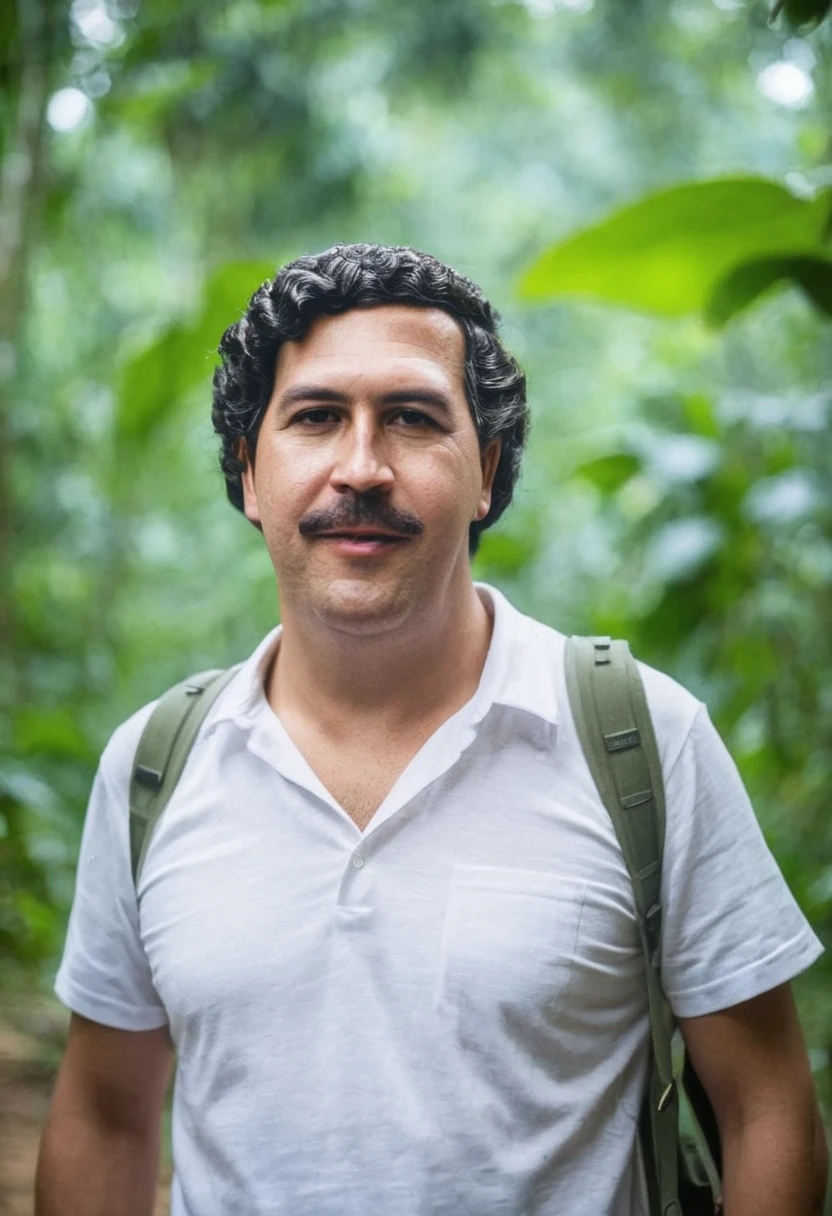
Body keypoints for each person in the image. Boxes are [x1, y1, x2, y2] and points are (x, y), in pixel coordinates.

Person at [36, 244, 827, 1216]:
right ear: (249, 472)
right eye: (316, 418)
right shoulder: (157, 764)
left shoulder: (641, 739)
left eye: (412, 419)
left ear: (485, 471)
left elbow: (766, 1106)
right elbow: (106, 1111)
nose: (360, 467)